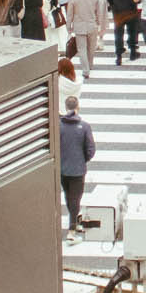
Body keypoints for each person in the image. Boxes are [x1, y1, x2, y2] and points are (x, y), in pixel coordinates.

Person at [58, 95, 96, 242]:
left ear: (65, 107)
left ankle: (74, 221)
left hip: (63, 169)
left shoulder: (59, 125)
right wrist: (82, 160)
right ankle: (72, 230)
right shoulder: (84, 126)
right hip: (78, 169)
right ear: (77, 107)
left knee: (69, 196)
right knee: (76, 198)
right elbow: (90, 149)